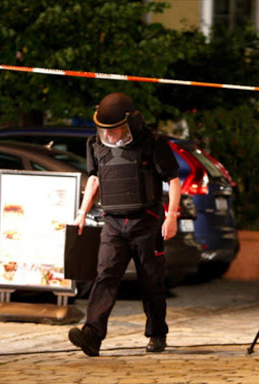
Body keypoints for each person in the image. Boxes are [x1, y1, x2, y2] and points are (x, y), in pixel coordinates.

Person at [68, 93, 181, 356]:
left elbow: (173, 180)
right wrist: (82, 213)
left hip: (147, 222)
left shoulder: (153, 143)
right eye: (106, 130)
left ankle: (157, 334)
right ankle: (92, 336)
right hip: (113, 224)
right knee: (105, 276)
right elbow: (94, 180)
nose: (111, 135)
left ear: (131, 124)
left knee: (151, 281)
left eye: (116, 129)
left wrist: (172, 215)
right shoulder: (96, 145)